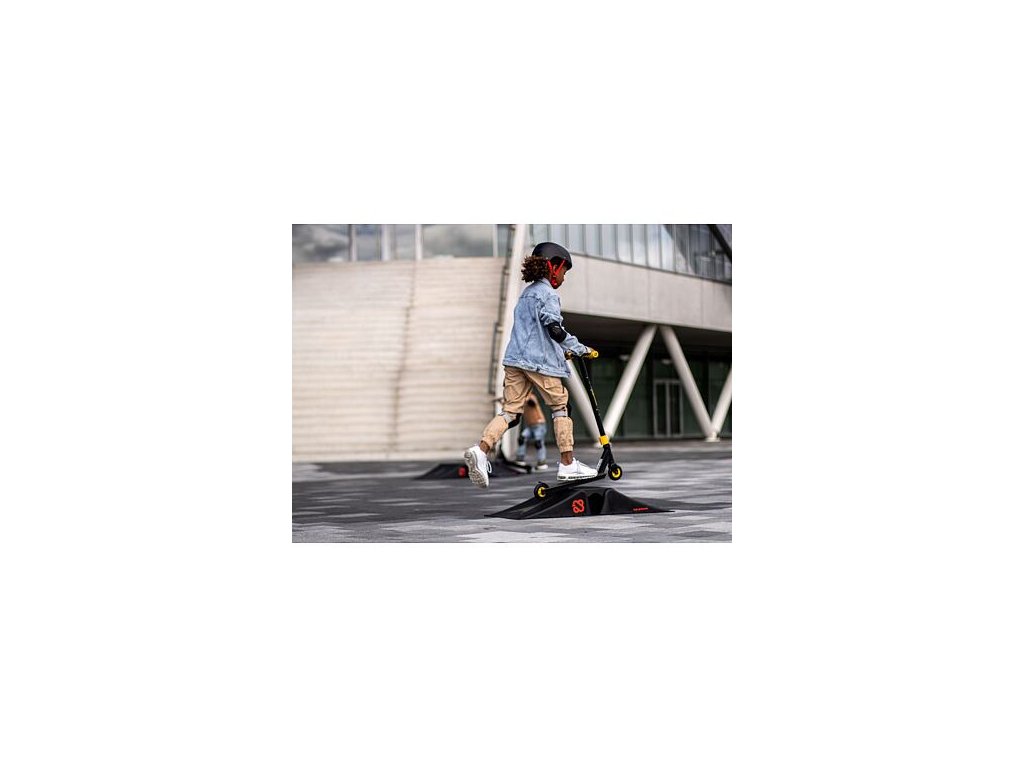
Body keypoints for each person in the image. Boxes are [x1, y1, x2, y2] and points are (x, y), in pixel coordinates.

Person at [464, 241, 598, 489]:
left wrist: (562, 351)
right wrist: (580, 348)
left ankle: (480, 450)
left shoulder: (526, 294)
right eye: (564, 271)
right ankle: (568, 464)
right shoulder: (548, 294)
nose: (564, 277)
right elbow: (554, 329)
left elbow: (534, 332)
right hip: (538, 363)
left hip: (515, 360)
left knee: (510, 412)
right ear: (553, 266)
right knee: (560, 406)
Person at [514, 395, 548, 470]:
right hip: (530, 426)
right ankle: (520, 458)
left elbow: (532, 402)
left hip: (539, 425)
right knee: (521, 439)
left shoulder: (531, 397)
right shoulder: (521, 402)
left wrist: (522, 398)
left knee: (538, 443)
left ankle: (541, 461)